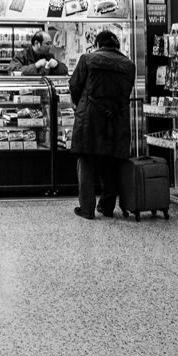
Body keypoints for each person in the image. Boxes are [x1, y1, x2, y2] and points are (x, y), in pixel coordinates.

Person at [68, 29, 136, 220]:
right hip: (116, 119)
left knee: (86, 162)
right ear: (117, 45)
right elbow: (126, 91)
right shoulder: (129, 65)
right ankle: (106, 207)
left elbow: (74, 86)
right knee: (111, 162)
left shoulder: (88, 59)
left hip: (89, 118)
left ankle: (87, 209)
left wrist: (79, 103)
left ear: (98, 44)